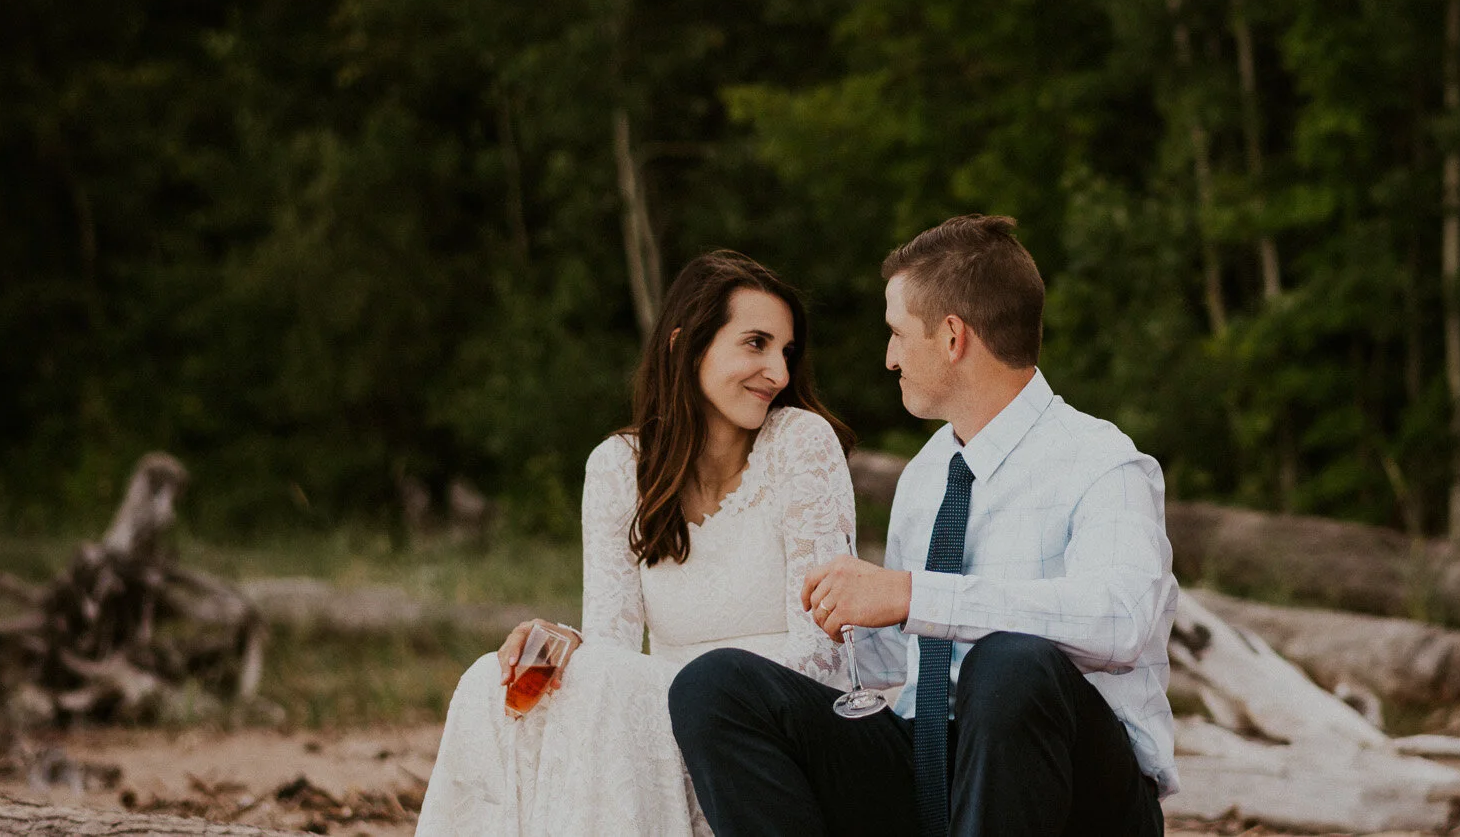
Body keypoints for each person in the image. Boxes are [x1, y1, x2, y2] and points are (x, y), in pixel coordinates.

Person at [669, 215, 1178, 837]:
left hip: (1079, 798)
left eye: (897, 334)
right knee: (716, 686)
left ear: (952, 337)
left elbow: (1121, 621)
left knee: (1010, 666)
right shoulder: (928, 474)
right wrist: (830, 612)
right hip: (933, 770)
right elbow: (894, 658)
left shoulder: (1103, 462)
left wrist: (913, 594)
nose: (888, 358)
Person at [415, 251, 857, 837]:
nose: (778, 372)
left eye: (786, 351)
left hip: (771, 715)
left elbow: (822, 656)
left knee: (605, 684)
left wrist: (682, 693)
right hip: (650, 709)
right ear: (684, 345)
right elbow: (612, 646)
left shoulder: (801, 443)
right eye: (756, 344)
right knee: (488, 686)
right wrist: (570, 645)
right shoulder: (618, 467)